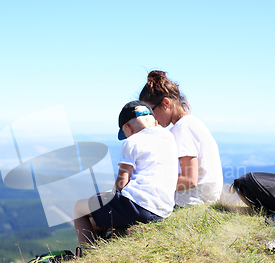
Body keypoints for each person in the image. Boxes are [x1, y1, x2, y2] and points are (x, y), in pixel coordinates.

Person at [73, 100, 178, 247]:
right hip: (164, 209)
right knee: (99, 201)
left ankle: (88, 253)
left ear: (127, 128)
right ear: (155, 123)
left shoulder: (132, 141)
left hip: (138, 207)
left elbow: (122, 184)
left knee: (79, 208)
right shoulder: (169, 138)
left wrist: (108, 201)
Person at [139, 70, 223, 207]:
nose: (150, 119)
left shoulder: (183, 128)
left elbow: (190, 179)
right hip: (200, 199)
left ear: (166, 103)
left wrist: (151, 185)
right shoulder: (189, 123)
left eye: (150, 112)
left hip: (192, 201)